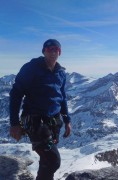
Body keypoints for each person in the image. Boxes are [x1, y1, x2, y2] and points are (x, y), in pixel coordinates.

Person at [9, 39, 72, 180]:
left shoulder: (61, 73)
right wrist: (14, 123)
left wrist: (67, 120)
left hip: (54, 122)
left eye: (56, 49)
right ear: (43, 51)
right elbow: (16, 93)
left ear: (59, 52)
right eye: (49, 49)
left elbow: (62, 97)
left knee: (46, 160)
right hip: (35, 120)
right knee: (53, 161)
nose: (53, 52)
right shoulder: (31, 68)